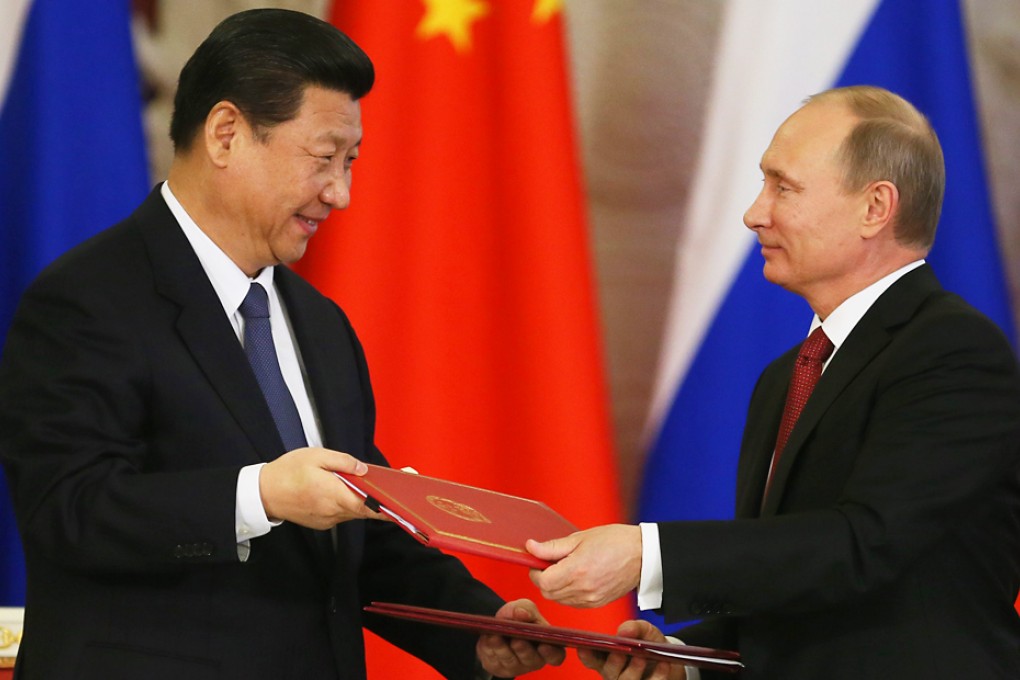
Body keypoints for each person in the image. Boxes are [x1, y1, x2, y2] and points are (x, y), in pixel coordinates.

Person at [0, 9, 564, 680]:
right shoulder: (88, 298)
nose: (342, 193)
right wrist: (260, 495)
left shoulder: (320, 322)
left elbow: (357, 541)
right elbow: (69, 511)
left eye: (351, 162)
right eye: (324, 159)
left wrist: (475, 628)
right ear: (227, 134)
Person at [525, 85, 1020, 679]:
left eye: (783, 187)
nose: (755, 212)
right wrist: (682, 661)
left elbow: (865, 548)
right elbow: (792, 587)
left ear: (875, 208)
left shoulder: (953, 351)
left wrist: (646, 554)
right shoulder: (786, 374)